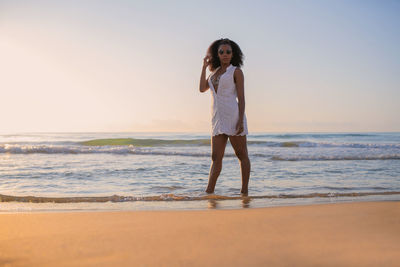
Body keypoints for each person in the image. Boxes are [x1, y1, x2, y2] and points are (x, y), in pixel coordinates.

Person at [199, 38, 251, 195]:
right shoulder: (213, 74)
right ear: (217, 54)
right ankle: (209, 192)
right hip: (217, 119)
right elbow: (202, 88)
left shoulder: (236, 72)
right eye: (221, 52)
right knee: (215, 157)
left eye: (228, 52)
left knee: (241, 155)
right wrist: (204, 67)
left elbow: (241, 99)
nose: (225, 54)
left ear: (233, 53)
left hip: (234, 116)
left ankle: (244, 192)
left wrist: (241, 120)